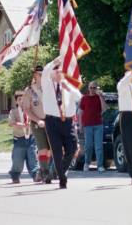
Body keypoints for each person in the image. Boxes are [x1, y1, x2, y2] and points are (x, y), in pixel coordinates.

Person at [41, 57, 82, 189]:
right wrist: (55, 62)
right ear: (52, 73)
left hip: (68, 121)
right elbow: (45, 71)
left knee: (73, 148)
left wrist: (68, 87)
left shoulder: (67, 85)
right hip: (52, 121)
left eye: (60, 71)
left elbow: (79, 97)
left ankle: (59, 171)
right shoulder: (46, 84)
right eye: (56, 71)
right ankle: (62, 179)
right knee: (57, 151)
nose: (59, 73)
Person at [22, 65, 53, 183]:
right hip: (37, 122)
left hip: (50, 121)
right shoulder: (29, 91)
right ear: (35, 75)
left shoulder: (49, 88)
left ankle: (41, 169)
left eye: (42, 74)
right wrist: (37, 120)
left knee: (50, 149)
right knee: (42, 147)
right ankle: (45, 172)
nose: (40, 76)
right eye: (38, 74)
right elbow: (27, 109)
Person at [8, 91, 40, 183]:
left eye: (24, 99)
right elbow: (11, 123)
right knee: (17, 159)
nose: (22, 101)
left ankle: (36, 175)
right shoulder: (13, 111)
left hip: (31, 137)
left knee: (33, 157)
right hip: (19, 138)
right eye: (19, 99)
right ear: (16, 101)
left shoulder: (31, 111)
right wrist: (22, 125)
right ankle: (15, 175)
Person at [79, 81, 107, 172]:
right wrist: (80, 125)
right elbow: (80, 112)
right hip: (87, 125)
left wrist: (100, 96)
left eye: (94, 88)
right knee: (88, 146)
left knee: (98, 146)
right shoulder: (84, 98)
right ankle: (87, 163)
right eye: (90, 87)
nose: (92, 89)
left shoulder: (99, 97)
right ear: (88, 88)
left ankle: (100, 165)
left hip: (98, 124)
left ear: (97, 88)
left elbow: (104, 109)